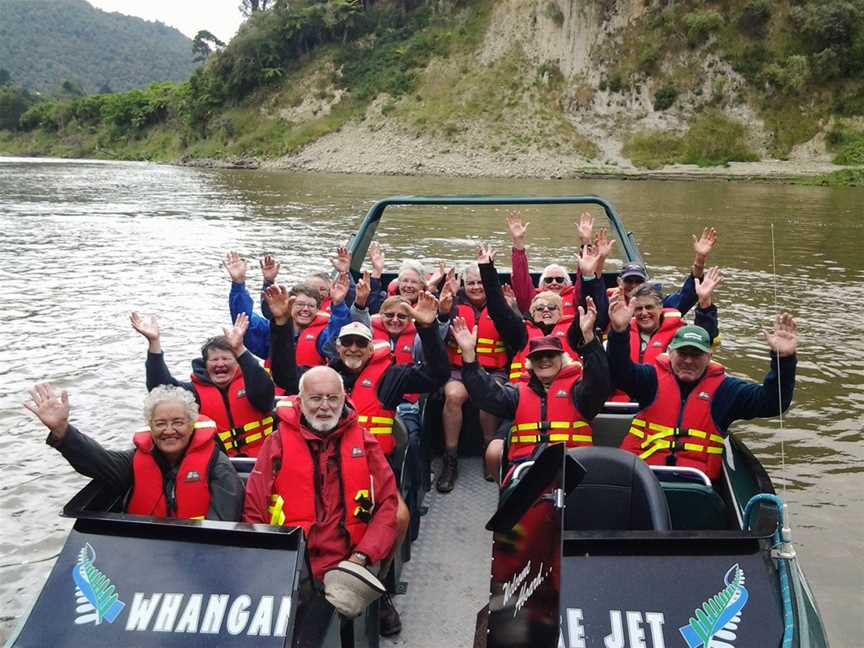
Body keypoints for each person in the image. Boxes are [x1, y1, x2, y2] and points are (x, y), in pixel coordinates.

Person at [242, 367, 400, 627]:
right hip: (293, 558)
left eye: (332, 398)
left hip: (348, 557)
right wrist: (270, 561)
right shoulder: (276, 443)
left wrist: (361, 557)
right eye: (316, 398)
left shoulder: (364, 441)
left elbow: (387, 505)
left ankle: (376, 595)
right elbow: (254, 509)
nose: (324, 406)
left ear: (343, 399)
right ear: (300, 401)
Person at [607, 296, 798, 480]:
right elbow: (619, 370)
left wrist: (784, 360)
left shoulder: (726, 390)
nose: (688, 361)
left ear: (708, 357)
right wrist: (619, 331)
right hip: (643, 478)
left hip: (695, 486)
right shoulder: (650, 379)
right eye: (682, 353)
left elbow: (773, 402)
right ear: (670, 353)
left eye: (696, 354)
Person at [26, 383, 244, 520]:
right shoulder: (134, 461)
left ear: (191, 424)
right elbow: (96, 460)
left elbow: (224, 523)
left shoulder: (218, 465)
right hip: (144, 549)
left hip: (198, 553)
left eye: (177, 422)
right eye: (160, 423)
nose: (169, 431)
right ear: (150, 426)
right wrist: (63, 431)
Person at [453, 296, 610, 481]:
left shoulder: (579, 391)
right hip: (525, 468)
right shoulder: (517, 392)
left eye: (551, 355)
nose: (544, 360)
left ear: (563, 360)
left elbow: (599, 381)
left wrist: (590, 340)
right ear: (530, 364)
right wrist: (469, 356)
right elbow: (485, 395)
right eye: (538, 357)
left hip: (572, 468)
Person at [131, 311, 276, 458]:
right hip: (219, 463)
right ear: (205, 365)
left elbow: (264, 392)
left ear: (238, 362)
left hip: (263, 460)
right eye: (214, 360)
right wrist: (154, 343)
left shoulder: (253, 382)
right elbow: (161, 389)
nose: (220, 363)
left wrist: (239, 348)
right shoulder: (193, 392)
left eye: (226, 358)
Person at [474, 243, 608, 382]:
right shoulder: (521, 332)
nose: (545, 310)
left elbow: (587, 307)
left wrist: (588, 276)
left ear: (561, 312)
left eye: (551, 307)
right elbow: (498, 310)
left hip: (565, 393)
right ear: (531, 313)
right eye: (539, 308)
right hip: (526, 392)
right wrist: (487, 269)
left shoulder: (573, 332)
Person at [436, 257, 509, 493]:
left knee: (488, 400)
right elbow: (436, 336)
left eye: (480, 282)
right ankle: (451, 459)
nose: (476, 287)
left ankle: (490, 453)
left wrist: (513, 308)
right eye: (471, 283)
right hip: (459, 370)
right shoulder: (453, 305)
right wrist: (443, 312)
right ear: (463, 286)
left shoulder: (500, 306)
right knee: (453, 396)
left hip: (492, 370)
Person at [225, 249, 356, 359]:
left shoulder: (323, 335)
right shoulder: (270, 332)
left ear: (318, 310)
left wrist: (338, 303)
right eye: (299, 304)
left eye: (311, 306)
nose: (305, 309)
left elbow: (338, 342)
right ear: (289, 306)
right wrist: (238, 283)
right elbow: (242, 320)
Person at [506, 211, 614, 318]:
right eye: (548, 280)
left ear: (567, 283)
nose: (554, 283)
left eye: (559, 279)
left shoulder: (574, 297)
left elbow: (585, 278)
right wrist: (518, 242)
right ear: (542, 284)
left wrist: (585, 242)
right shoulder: (534, 298)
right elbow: (521, 279)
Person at [608, 226, 719, 317]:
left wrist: (700, 259)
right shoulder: (608, 303)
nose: (633, 285)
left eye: (638, 281)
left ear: (646, 283)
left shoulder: (658, 304)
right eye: (629, 281)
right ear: (619, 282)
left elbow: (687, 296)